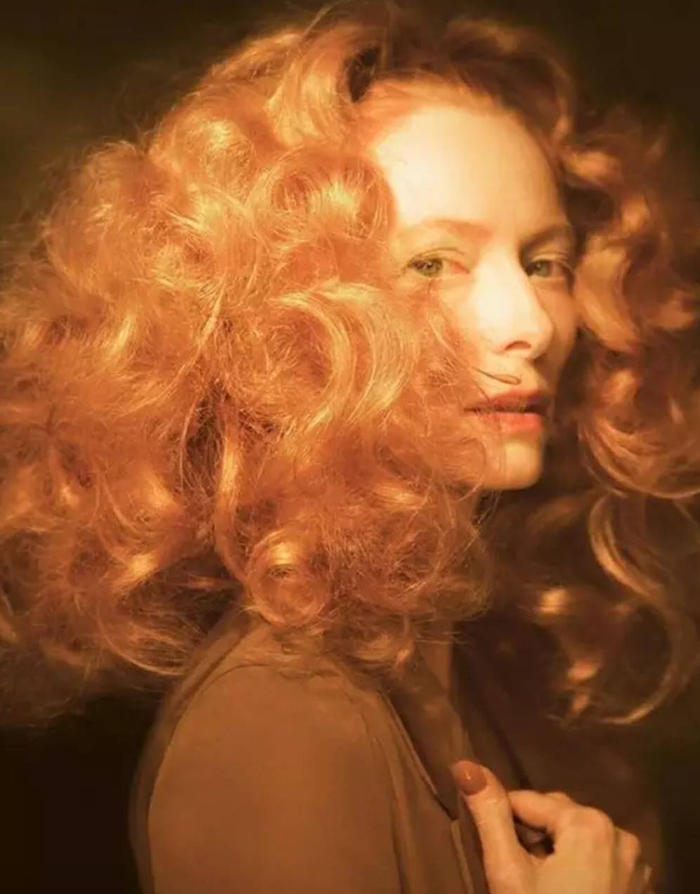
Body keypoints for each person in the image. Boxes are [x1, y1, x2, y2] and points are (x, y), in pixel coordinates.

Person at [1, 0, 699, 891]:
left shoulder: (493, 671)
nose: (526, 322)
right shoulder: (276, 729)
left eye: (543, 263)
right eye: (432, 264)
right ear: (279, 323)